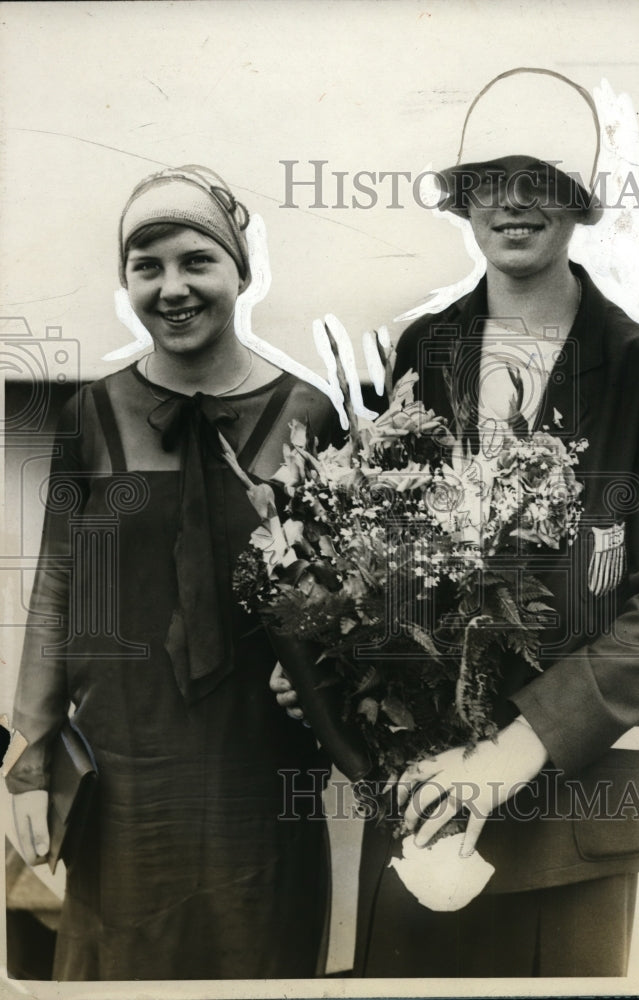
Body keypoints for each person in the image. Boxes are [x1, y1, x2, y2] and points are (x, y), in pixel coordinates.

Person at [275, 68, 639, 978]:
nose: (513, 201)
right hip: (424, 795)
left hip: (570, 814)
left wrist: (511, 751)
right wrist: (332, 668)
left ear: (580, 201)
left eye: (540, 177)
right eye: (489, 178)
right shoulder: (422, 350)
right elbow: (382, 559)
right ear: (464, 199)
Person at [6, 165, 336, 980]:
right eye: (146, 267)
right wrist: (26, 762)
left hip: (258, 779)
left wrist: (328, 671)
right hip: (127, 778)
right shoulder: (91, 416)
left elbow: (341, 595)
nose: (172, 287)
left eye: (197, 261)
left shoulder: (307, 416)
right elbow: (57, 589)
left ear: (240, 272)